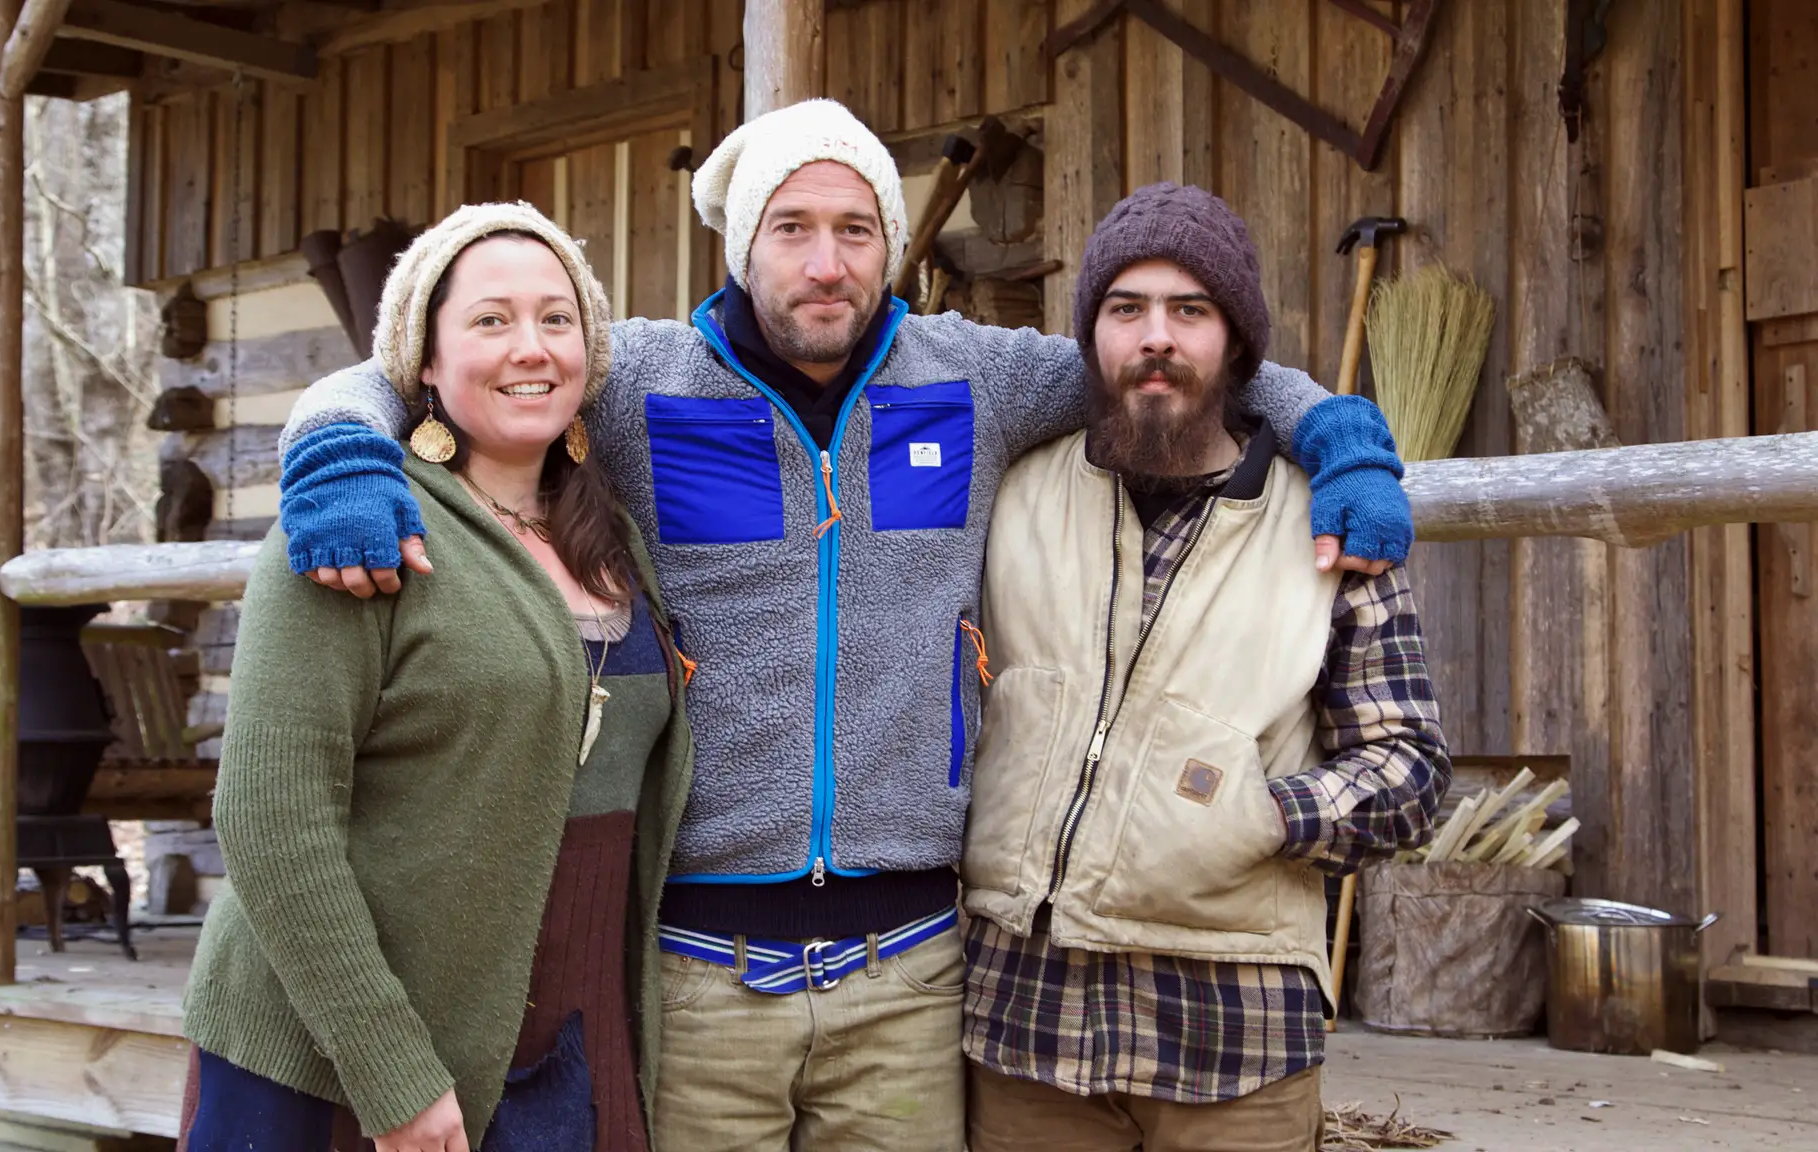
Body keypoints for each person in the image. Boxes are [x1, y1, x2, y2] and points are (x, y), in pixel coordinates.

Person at [267, 100, 1413, 1152]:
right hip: (702, 978)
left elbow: (1172, 357)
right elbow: (396, 369)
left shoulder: (973, 377)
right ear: (742, 246)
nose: (827, 263)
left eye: (857, 230)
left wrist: (1340, 436)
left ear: (891, 244)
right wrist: (334, 451)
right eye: (792, 228)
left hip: (907, 982)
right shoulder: (640, 385)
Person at [178, 203, 695, 1152]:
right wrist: (395, 1079)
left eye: (556, 319)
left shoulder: (612, 534)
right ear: (422, 358)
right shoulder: (357, 526)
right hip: (341, 1046)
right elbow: (270, 817)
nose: (529, 349)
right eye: (490, 320)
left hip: (571, 1018)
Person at [960, 184, 1449, 1152]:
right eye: (1125, 309)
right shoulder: (1009, 492)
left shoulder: (1320, 520)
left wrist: (1261, 814)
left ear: (1234, 342)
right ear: (1088, 338)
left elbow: (1410, 767)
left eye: (1190, 311)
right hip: (1025, 1024)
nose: (1156, 338)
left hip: (1233, 1034)